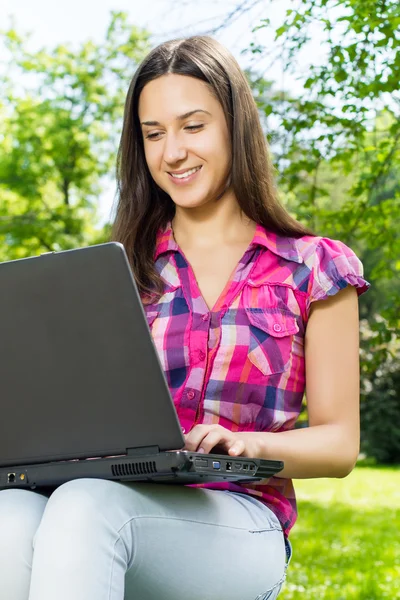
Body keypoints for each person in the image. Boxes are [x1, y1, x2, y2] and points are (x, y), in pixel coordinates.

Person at [0, 35, 369, 600]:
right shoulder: (118, 273)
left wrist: (247, 445)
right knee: (10, 516)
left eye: (192, 126)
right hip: (114, 498)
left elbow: (340, 445)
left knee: (85, 507)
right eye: (153, 134)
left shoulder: (316, 267)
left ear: (235, 128)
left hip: (241, 520)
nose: (172, 152)